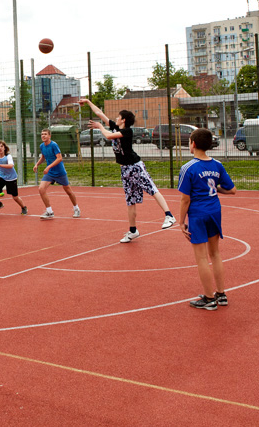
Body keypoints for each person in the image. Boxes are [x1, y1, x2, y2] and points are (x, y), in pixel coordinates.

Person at [78, 98, 176, 243]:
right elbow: (100, 113)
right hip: (125, 169)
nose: (116, 118)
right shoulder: (115, 126)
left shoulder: (127, 131)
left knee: (152, 189)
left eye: (118, 117)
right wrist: (87, 101)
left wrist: (99, 127)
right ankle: (133, 231)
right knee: (130, 200)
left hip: (135, 167)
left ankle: (169, 215)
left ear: (123, 120)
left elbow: (108, 136)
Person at [178, 129, 236, 310]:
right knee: (215, 253)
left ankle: (209, 298)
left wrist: (181, 221)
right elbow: (232, 190)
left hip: (198, 214)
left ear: (193, 144)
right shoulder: (217, 164)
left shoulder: (188, 168)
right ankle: (221, 293)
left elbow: (185, 199)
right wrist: (216, 189)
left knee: (202, 258)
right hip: (214, 211)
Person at [33, 128, 81, 219]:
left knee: (68, 191)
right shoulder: (42, 146)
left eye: (45, 134)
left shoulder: (54, 145)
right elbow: (43, 156)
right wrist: (37, 164)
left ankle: (76, 208)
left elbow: (59, 158)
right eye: (42, 134)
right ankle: (49, 211)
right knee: (41, 189)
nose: (43, 136)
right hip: (50, 173)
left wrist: (48, 167)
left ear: (49, 136)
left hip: (59, 172)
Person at [0, 140, 28, 215]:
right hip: (2, 177)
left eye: (1, 146)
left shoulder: (8, 156)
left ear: (5, 148)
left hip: (11, 178)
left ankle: (23, 207)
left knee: (15, 197)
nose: (0, 148)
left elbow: (11, 165)